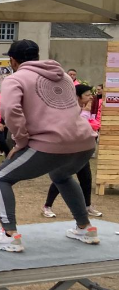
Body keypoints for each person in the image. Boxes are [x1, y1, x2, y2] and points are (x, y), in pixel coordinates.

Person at [0, 40, 98, 253]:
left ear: (12, 60)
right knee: (61, 175)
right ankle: (85, 228)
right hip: (85, 141)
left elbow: (10, 111)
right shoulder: (64, 77)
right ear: (36, 56)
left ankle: (9, 234)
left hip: (50, 142)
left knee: (0, 178)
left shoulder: (14, 79)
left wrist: (21, 141)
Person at [42, 84, 102, 219]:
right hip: (67, 151)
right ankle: (47, 206)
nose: (91, 97)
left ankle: (87, 206)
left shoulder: (87, 108)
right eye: (87, 95)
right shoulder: (69, 109)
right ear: (78, 97)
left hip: (82, 150)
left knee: (86, 178)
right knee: (61, 178)